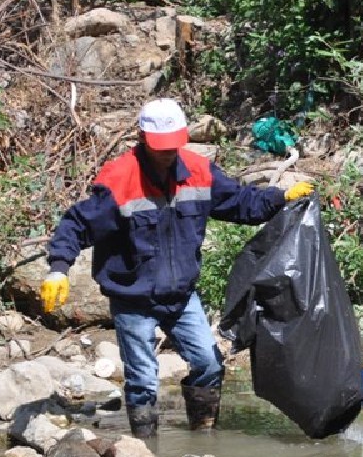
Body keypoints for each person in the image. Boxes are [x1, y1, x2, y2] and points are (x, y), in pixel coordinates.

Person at [39, 98, 313, 437]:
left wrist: (280, 198)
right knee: (142, 378)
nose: (168, 153)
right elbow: (77, 225)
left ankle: (203, 436)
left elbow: (241, 203)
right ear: (142, 139)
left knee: (209, 364)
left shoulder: (198, 171)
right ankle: (143, 450)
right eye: (161, 147)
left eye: (174, 146)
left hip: (181, 295)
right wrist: (58, 268)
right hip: (133, 298)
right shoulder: (119, 180)